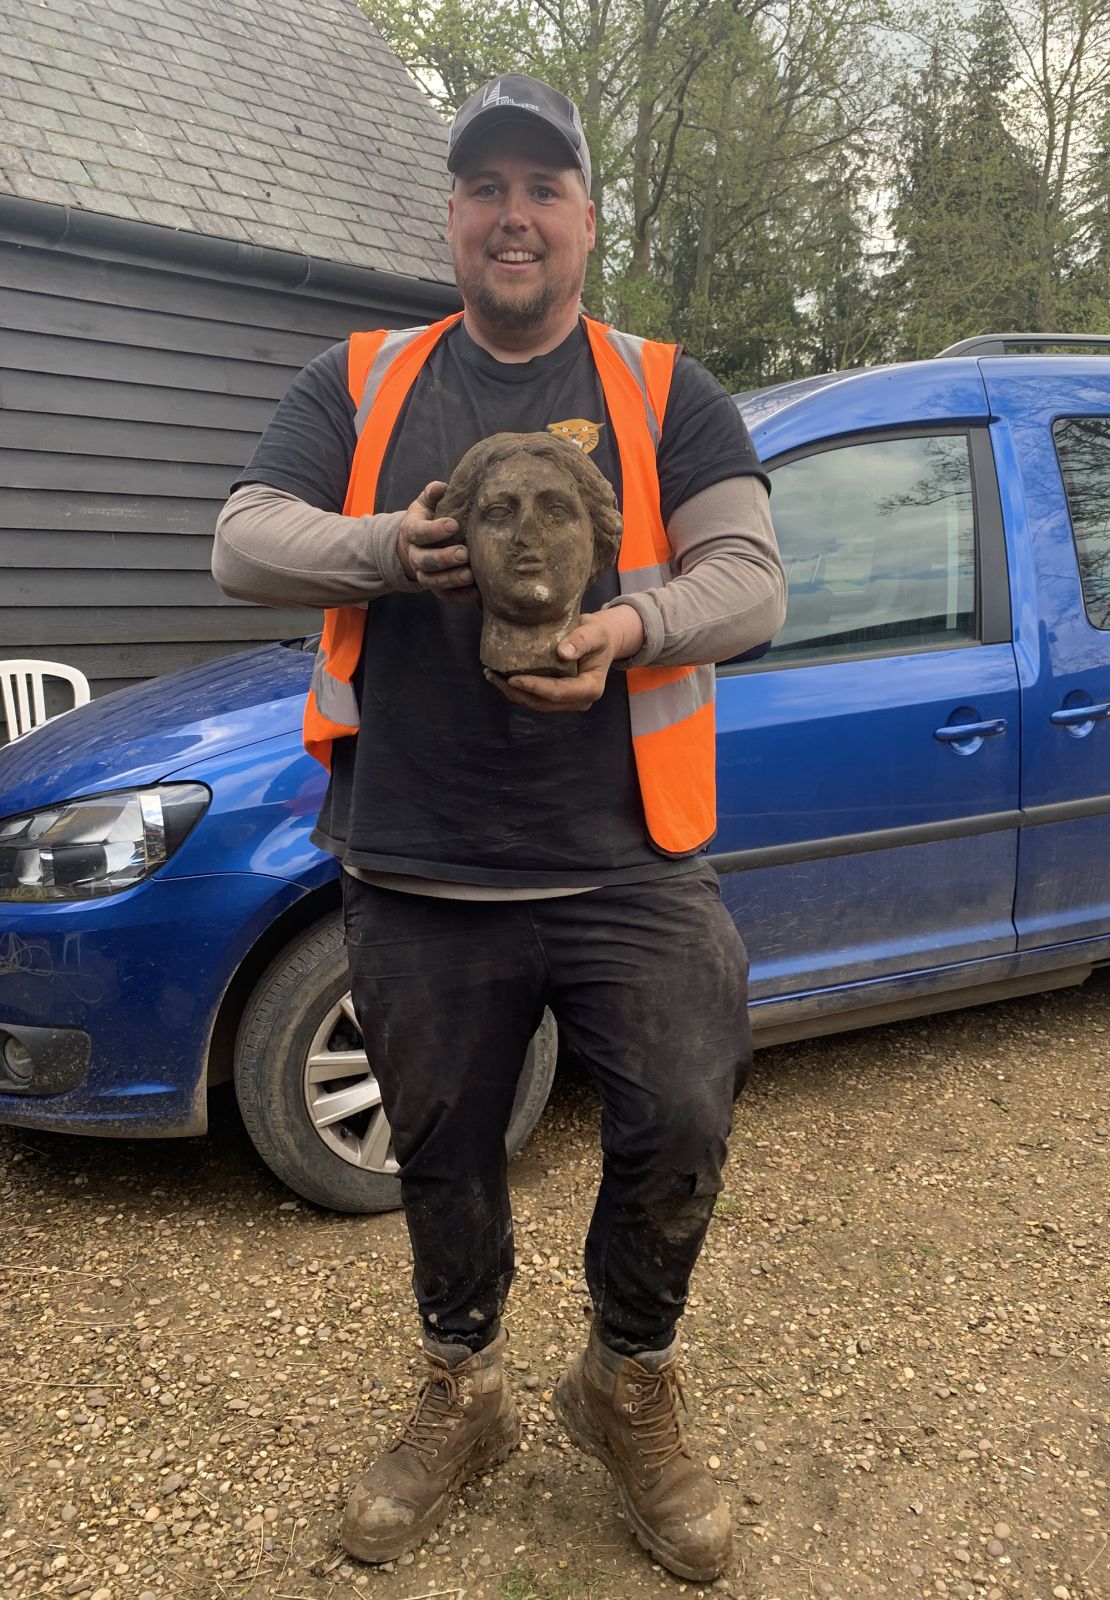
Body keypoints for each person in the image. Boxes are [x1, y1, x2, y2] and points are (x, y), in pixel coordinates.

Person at [212, 71, 786, 1584]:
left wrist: (630, 626)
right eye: (487, 189)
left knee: (679, 1120)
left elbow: (754, 579)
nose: (513, 215)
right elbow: (241, 542)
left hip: (627, 862)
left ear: (586, 218)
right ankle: (462, 1384)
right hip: (414, 855)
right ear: (453, 216)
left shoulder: (667, 390)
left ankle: (625, 1378)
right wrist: (387, 550)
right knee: (444, 1148)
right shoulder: (363, 381)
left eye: (544, 188)